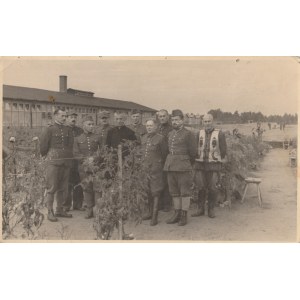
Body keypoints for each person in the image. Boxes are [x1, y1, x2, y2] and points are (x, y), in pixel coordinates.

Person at [164, 109, 197, 226]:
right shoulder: (170, 134)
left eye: (177, 120)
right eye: (173, 120)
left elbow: (193, 153)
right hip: (170, 166)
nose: (174, 122)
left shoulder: (189, 134)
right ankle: (176, 213)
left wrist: (187, 164)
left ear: (182, 120)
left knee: (184, 192)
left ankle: (184, 215)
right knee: (174, 192)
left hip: (183, 167)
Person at [40, 108, 73, 221]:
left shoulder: (68, 129)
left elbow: (70, 145)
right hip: (53, 161)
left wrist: (68, 158)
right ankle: (50, 211)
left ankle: (60, 210)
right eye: (62, 116)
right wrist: (47, 157)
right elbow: (43, 146)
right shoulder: (49, 129)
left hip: (66, 161)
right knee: (52, 187)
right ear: (55, 116)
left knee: (63, 187)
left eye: (65, 116)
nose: (64, 118)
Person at [192, 113, 227, 219]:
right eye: (205, 121)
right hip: (200, 164)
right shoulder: (199, 133)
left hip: (214, 165)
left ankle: (211, 209)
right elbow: (195, 147)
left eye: (209, 121)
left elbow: (223, 149)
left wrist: (217, 159)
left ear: (213, 121)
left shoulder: (219, 134)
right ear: (203, 122)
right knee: (200, 187)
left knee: (213, 188)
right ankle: (200, 209)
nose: (207, 123)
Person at [74, 115, 102, 219]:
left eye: (92, 124)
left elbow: (102, 151)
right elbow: (76, 153)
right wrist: (86, 160)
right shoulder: (77, 139)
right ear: (83, 126)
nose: (91, 126)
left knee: (98, 188)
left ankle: (98, 210)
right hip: (84, 168)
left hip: (97, 167)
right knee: (86, 188)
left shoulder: (98, 137)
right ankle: (89, 209)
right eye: (89, 124)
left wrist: (94, 159)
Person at [140, 119, 168, 226]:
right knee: (147, 191)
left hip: (156, 169)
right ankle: (149, 213)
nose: (149, 127)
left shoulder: (160, 139)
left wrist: (160, 167)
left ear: (156, 127)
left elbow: (164, 154)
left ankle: (155, 216)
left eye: (151, 125)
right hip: (145, 169)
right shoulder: (143, 138)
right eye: (147, 126)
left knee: (155, 192)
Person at [64, 110, 84, 211]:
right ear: (66, 118)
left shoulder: (80, 131)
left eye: (75, 117)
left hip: (78, 161)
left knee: (79, 182)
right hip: (67, 160)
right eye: (71, 117)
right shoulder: (63, 130)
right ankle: (66, 205)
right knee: (67, 183)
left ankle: (78, 204)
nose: (73, 119)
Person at [157, 109, 173, 211]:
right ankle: (159, 203)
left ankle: (167, 204)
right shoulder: (157, 128)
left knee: (167, 181)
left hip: (168, 157)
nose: (162, 118)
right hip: (158, 158)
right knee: (159, 180)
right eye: (160, 116)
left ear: (168, 117)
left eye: (164, 116)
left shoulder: (171, 129)